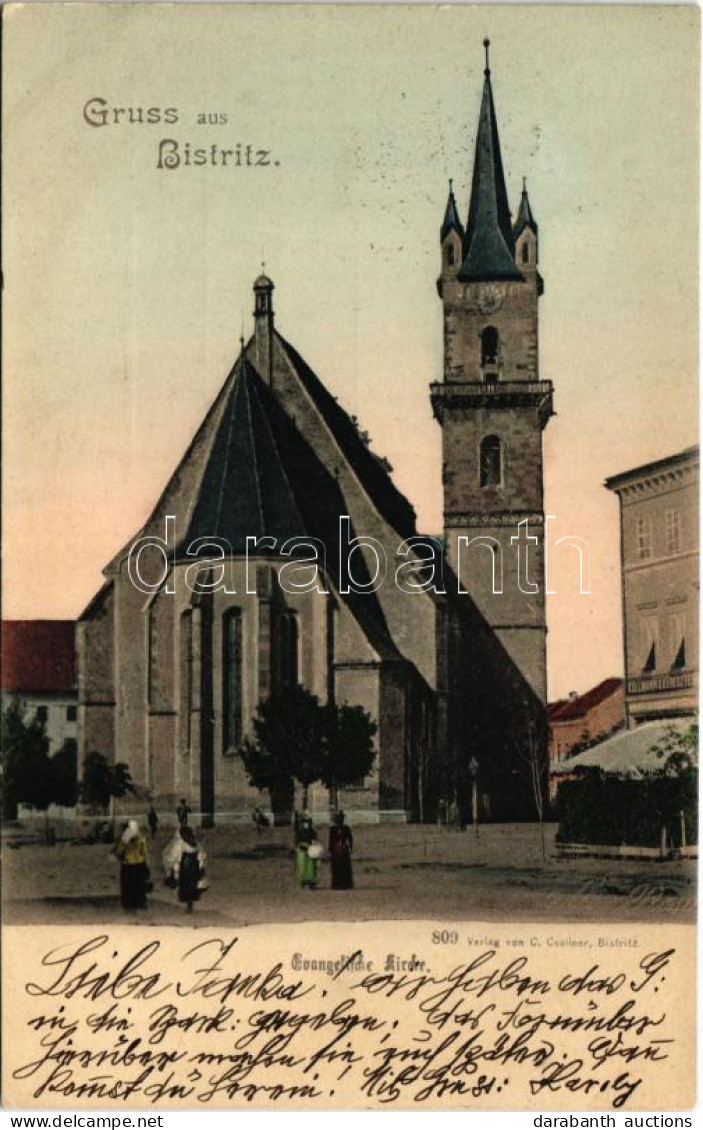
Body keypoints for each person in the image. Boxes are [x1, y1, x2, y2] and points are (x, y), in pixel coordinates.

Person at [163, 825, 207, 913]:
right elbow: (201, 855)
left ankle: (188, 906)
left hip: (184, 866)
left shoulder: (179, 842)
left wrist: (170, 867)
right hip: (193, 866)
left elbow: (172, 855)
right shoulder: (195, 843)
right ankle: (190, 905)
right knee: (192, 886)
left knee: (185, 886)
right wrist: (201, 866)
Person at [114, 820, 149, 910]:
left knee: (128, 886)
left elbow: (119, 851)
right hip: (139, 864)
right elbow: (145, 853)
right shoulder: (142, 838)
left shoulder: (125, 838)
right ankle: (140, 903)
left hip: (128, 864)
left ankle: (128, 904)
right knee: (139, 885)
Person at [328, 810, 354, 890]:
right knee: (336, 867)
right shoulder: (333, 829)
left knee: (345, 867)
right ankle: (336, 884)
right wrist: (330, 849)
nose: (339, 821)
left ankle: (345, 884)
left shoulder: (346, 828)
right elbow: (331, 840)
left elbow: (350, 839)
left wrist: (350, 847)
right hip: (336, 850)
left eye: (341, 820)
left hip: (343, 849)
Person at [295, 814, 321, 889]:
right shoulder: (299, 831)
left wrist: (313, 843)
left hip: (310, 850)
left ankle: (311, 882)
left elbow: (315, 839)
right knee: (302, 866)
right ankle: (303, 881)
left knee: (311, 867)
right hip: (302, 850)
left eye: (308, 822)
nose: (306, 824)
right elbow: (297, 841)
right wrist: (302, 844)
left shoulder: (312, 831)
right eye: (304, 822)